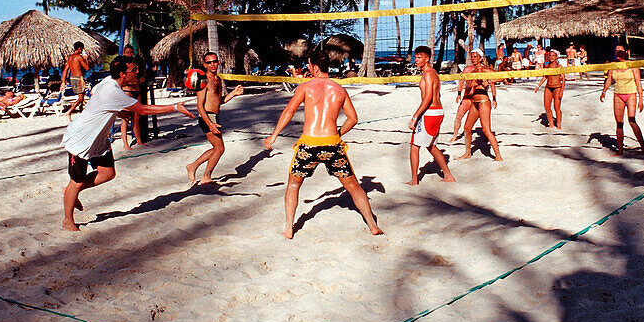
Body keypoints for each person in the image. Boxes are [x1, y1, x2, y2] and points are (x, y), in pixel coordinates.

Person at [61, 56, 197, 231]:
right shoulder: (114, 91)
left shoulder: (108, 81)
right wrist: (175, 107)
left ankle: (70, 192)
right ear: (123, 74)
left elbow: (94, 94)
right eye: (134, 70)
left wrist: (117, 112)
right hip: (80, 140)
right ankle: (68, 220)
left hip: (98, 140)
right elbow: (142, 109)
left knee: (108, 174)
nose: (137, 72)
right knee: (77, 181)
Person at [263, 50, 382, 240]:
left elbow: (289, 111)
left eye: (309, 65)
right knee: (353, 186)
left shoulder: (305, 87)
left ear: (315, 67)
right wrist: (337, 134)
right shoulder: (339, 89)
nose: (308, 68)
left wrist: (273, 136)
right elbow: (353, 119)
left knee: (293, 185)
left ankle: (288, 228)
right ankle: (373, 225)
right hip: (332, 144)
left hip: (309, 144)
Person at [185, 51, 244, 184]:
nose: (212, 64)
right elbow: (199, 106)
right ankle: (206, 176)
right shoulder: (203, 80)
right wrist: (210, 124)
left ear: (218, 62)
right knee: (220, 149)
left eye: (214, 61)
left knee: (217, 148)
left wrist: (233, 93)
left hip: (215, 116)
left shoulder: (218, 79)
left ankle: (193, 166)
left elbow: (219, 101)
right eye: (209, 62)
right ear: (204, 64)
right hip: (207, 117)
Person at [407, 46, 455, 185]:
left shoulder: (428, 74)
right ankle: (448, 175)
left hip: (430, 112)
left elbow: (428, 98)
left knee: (415, 145)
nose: (416, 60)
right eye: (415, 57)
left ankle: (414, 180)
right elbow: (436, 95)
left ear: (427, 59)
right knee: (431, 146)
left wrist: (415, 117)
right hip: (437, 111)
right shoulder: (432, 73)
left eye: (419, 57)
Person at [600, 48, 644, 156]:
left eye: (620, 51)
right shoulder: (613, 64)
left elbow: (638, 82)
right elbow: (609, 80)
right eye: (616, 51)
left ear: (626, 52)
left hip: (630, 94)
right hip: (618, 94)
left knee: (632, 121)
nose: (617, 52)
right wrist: (604, 91)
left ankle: (643, 148)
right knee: (619, 123)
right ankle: (620, 151)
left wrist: (641, 100)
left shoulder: (632, 65)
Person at [458, 49, 502, 161]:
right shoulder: (472, 72)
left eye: (475, 57)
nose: (473, 59)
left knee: (486, 130)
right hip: (474, 102)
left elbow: (501, 77)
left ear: (480, 58)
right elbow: (468, 87)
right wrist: (472, 83)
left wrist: (488, 80)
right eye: (472, 57)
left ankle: (498, 156)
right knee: (467, 128)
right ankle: (467, 153)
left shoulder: (485, 70)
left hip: (483, 101)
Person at [118, 45, 145, 149]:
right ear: (124, 53)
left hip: (136, 91)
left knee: (136, 118)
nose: (129, 54)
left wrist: (141, 79)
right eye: (127, 52)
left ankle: (139, 140)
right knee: (125, 118)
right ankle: (125, 143)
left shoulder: (136, 64)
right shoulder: (122, 66)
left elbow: (140, 76)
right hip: (127, 91)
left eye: (131, 52)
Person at [534, 47, 565, 129]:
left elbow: (564, 79)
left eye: (553, 56)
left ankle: (558, 125)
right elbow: (545, 77)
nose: (551, 57)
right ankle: (551, 124)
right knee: (547, 107)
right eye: (550, 55)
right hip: (548, 87)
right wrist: (538, 86)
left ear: (556, 57)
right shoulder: (547, 66)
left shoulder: (559, 66)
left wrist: (562, 91)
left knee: (556, 107)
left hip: (557, 87)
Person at [60, 41, 92, 116]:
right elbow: (87, 68)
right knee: (80, 98)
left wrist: (63, 82)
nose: (82, 51)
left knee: (82, 94)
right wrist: (86, 59)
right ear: (79, 48)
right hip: (78, 78)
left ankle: (81, 109)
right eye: (82, 49)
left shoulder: (70, 58)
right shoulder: (79, 57)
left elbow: (65, 71)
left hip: (72, 78)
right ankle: (69, 111)